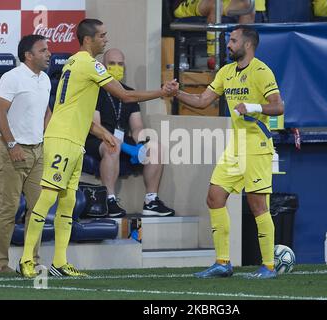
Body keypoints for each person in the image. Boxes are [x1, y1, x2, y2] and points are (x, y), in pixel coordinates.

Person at [18, 18, 177, 278]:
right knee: (47, 198)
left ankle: (60, 262)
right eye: (102, 35)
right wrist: (162, 92)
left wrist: (102, 132)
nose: (106, 39)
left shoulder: (72, 62)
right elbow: (125, 96)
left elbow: (74, 107)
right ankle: (25, 260)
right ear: (88, 40)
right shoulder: (88, 64)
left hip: (74, 140)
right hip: (62, 139)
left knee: (67, 202)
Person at [173, 25, 284, 279]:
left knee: (257, 206)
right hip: (235, 147)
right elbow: (202, 101)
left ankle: (268, 266)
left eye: (233, 40)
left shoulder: (261, 71)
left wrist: (254, 106)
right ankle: (223, 263)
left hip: (256, 147)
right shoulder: (226, 72)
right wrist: (175, 93)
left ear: (247, 44)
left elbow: (278, 107)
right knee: (214, 198)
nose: (228, 44)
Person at [85, 48, 175, 217]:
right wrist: (120, 144)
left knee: (156, 148)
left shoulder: (129, 92)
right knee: (112, 146)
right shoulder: (95, 90)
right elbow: (95, 125)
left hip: (121, 140)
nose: (116, 67)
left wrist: (140, 143)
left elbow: (137, 126)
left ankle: (151, 201)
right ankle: (109, 200)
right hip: (97, 138)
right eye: (111, 64)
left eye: (120, 64)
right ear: (102, 66)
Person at [0, 34, 52, 275]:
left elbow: (46, 111)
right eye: (43, 50)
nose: (49, 54)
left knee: (37, 210)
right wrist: (12, 144)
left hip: (38, 151)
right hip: (11, 151)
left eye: (48, 50)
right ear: (29, 55)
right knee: (9, 209)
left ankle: (30, 262)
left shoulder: (45, 79)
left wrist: (46, 138)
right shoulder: (12, 77)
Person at [173, 0, 256, 69]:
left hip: (221, 2)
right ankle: (214, 56)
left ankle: (240, 53)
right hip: (192, 4)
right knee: (216, 5)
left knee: (248, 7)